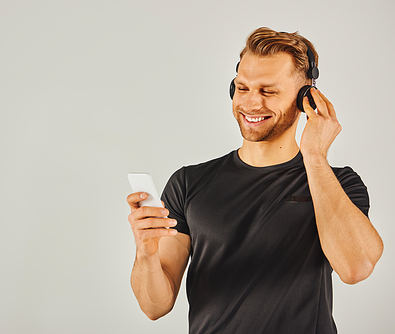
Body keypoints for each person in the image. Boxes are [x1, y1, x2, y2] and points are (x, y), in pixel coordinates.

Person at [126, 27, 383, 334]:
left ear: (306, 98)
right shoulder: (187, 183)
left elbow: (356, 268)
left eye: (268, 91)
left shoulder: (337, 184)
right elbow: (155, 306)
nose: (250, 103)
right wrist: (146, 254)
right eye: (242, 88)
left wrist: (314, 155)